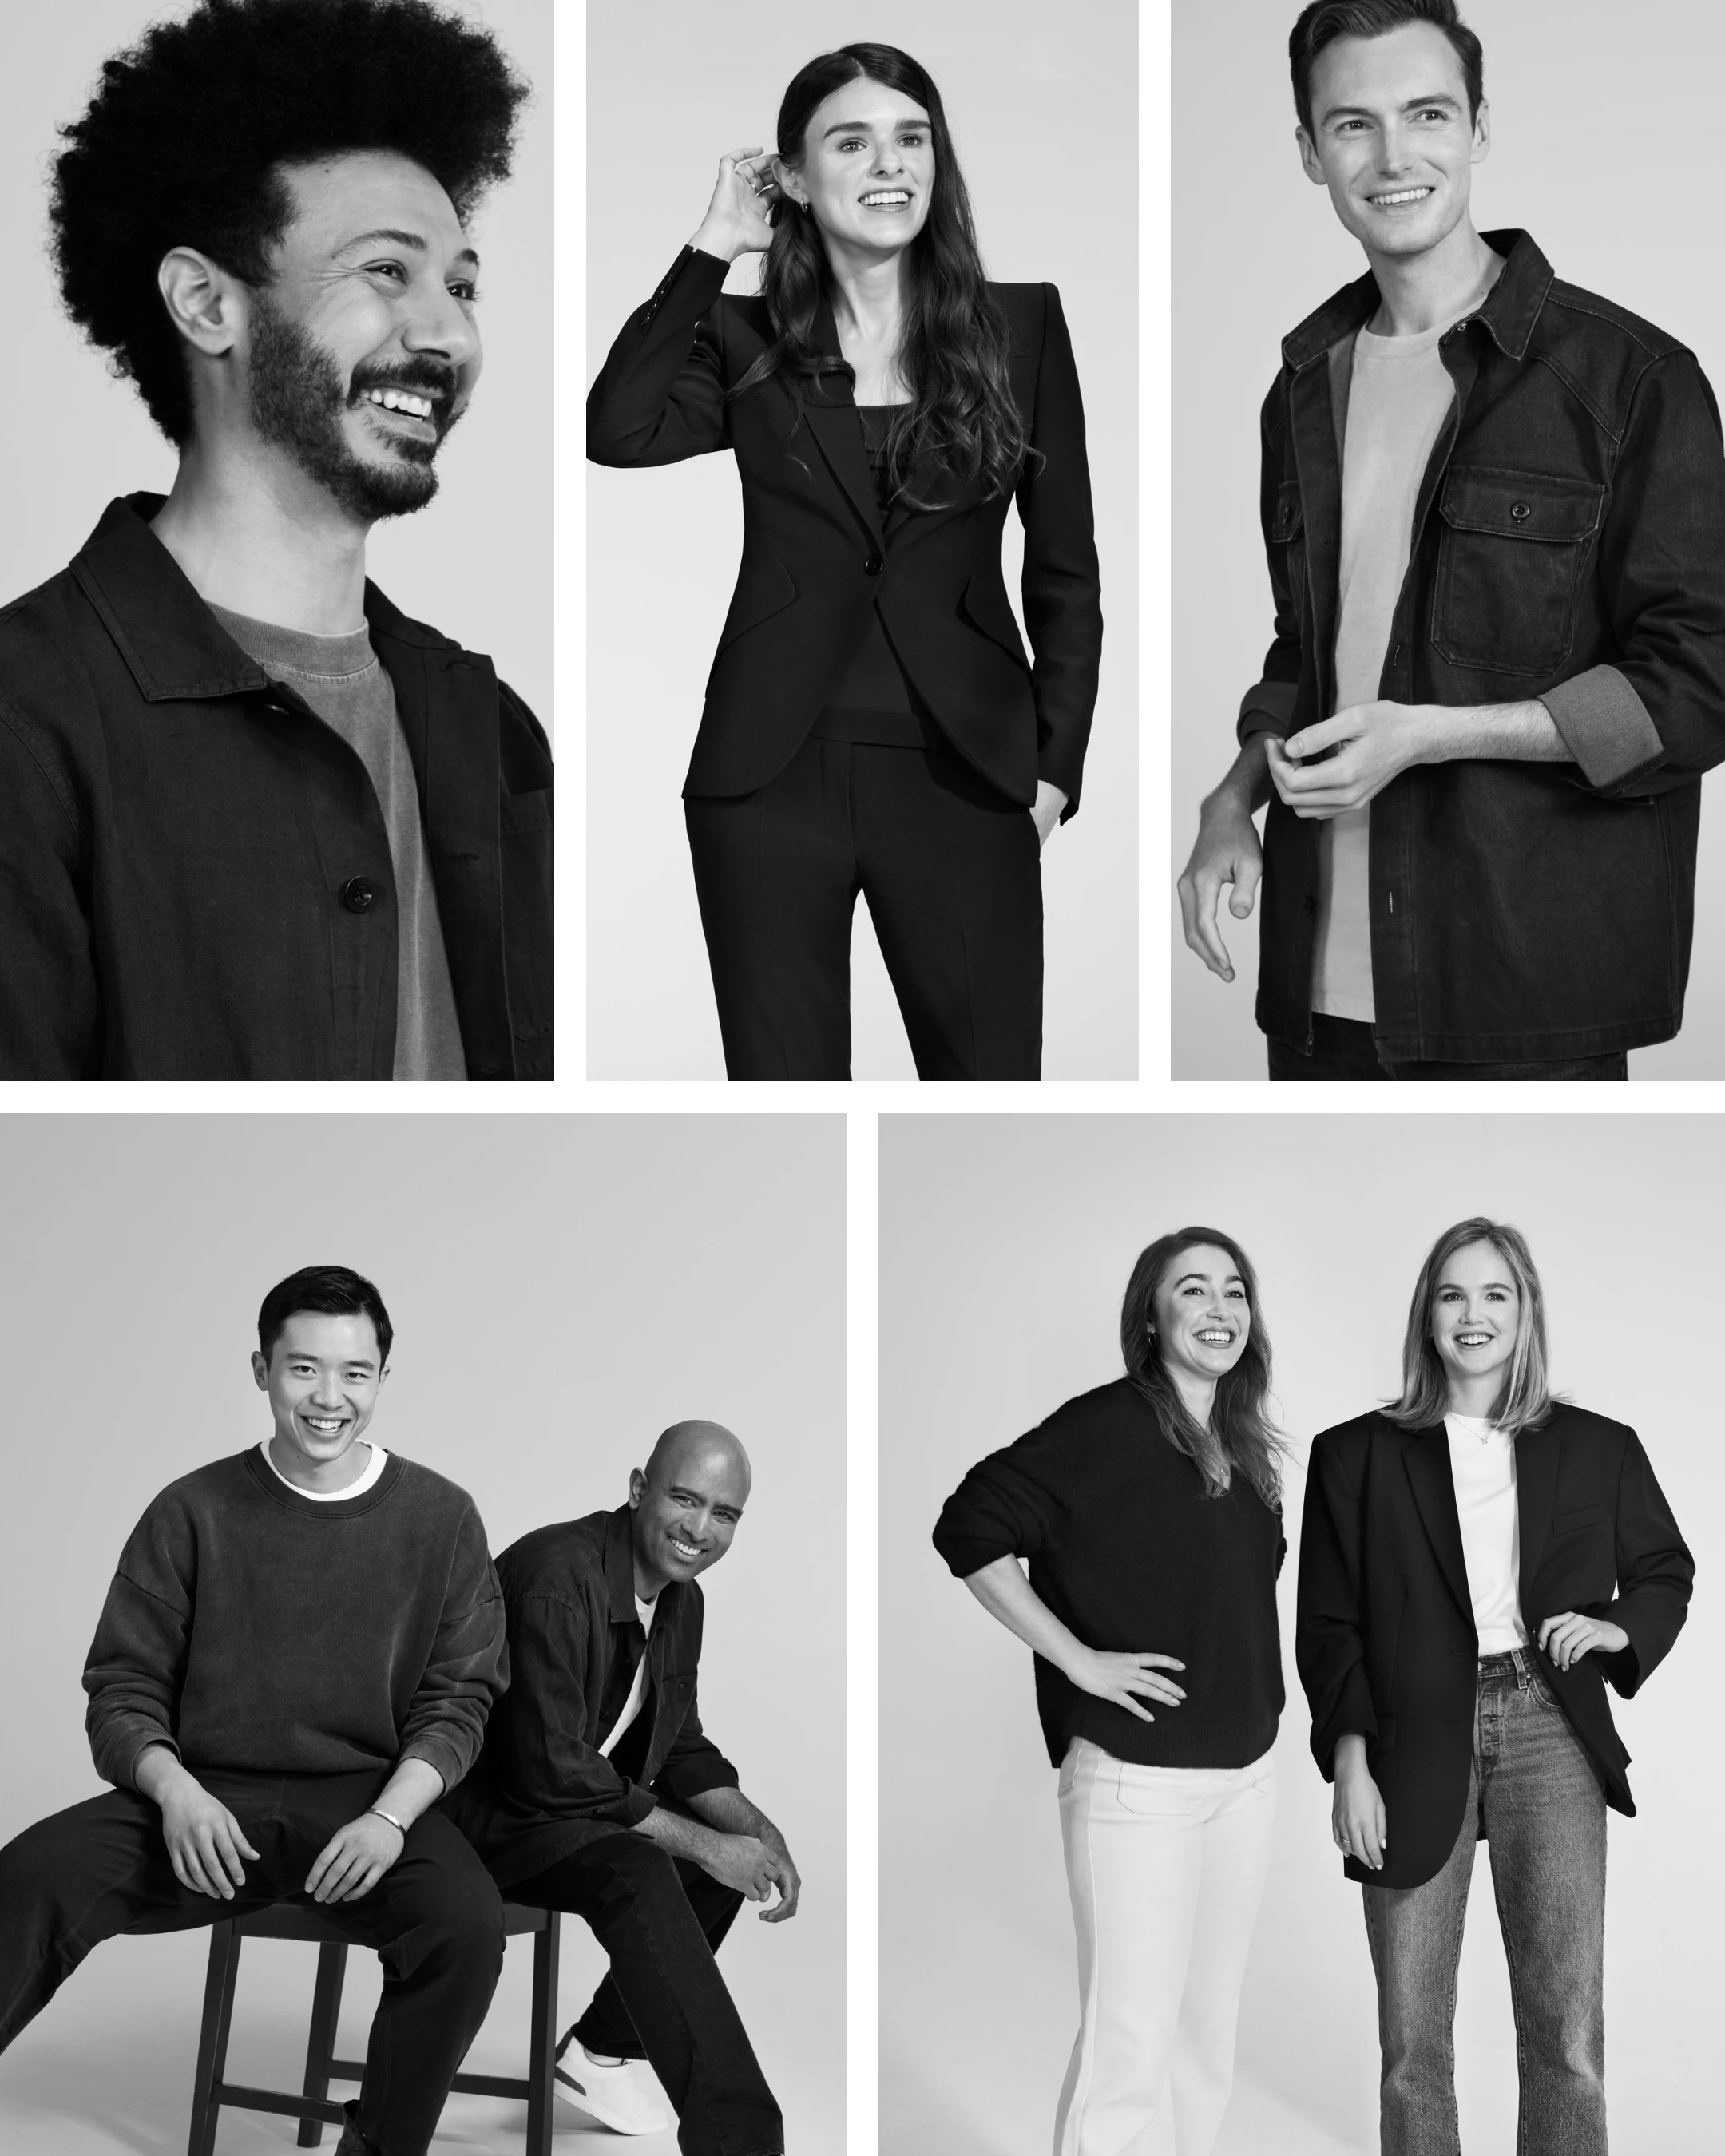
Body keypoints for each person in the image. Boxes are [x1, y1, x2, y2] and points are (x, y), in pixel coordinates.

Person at [0, 0, 553, 1080]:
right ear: (208, 303)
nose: (449, 333)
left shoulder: (492, 731)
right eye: (387, 271)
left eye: (463, 286)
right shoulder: (28, 715)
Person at [1176, 0, 1725, 1079]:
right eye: (1351, 125)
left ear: (1478, 128)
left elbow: (1701, 686)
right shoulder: (1301, 393)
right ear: (1308, 152)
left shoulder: (1632, 382)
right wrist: (1232, 795)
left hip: (1520, 986)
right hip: (1313, 995)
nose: (1393, 157)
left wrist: (1437, 734)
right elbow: (1310, 652)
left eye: (1426, 113)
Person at [588, 42, 1102, 1081]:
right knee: (788, 1098)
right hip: (768, 779)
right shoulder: (745, 334)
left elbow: (1066, 574)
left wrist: (1053, 773)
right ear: (794, 175)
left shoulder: (1023, 324)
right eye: (851, 141)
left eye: (911, 138)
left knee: (989, 1090)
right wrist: (715, 244)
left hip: (966, 774)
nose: (888, 164)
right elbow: (619, 427)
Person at [0, 1266, 510, 2156]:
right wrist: (174, 1792)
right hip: (205, 1798)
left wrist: (394, 1816)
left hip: (363, 1804)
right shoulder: (192, 1510)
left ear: (383, 1377)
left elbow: (460, 1699)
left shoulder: (440, 1517)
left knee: (464, 1927)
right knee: (30, 1875)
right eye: (303, 1368)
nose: (329, 1398)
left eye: (355, 1373)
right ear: (261, 1370)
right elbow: (121, 1688)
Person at [1296, 1219, 1693, 2154]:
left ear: (1526, 1313)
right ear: (1427, 1314)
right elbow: (1327, 1624)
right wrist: (1349, 1764)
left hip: (1552, 1725)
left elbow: (1665, 1569)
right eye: (1453, 1294)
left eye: (1495, 1295)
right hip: (1403, 1739)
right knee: (1410, 2046)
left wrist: (1616, 1627)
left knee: (1565, 2037)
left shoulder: (1600, 1445)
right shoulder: (1356, 1453)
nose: (1473, 1315)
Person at [932, 1231, 1287, 2156]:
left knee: (1204, 2043)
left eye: (1235, 1292)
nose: (1219, 1310)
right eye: (1194, 1291)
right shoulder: (1107, 1425)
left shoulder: (1246, 1449)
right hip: (1140, 1788)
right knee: (1129, 2044)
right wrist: (1079, 1660)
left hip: (1244, 1781)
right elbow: (967, 1525)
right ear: (1150, 1316)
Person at [444, 1421, 797, 2156]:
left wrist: (758, 1835)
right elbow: (548, 1767)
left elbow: (682, 1746)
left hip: (557, 1812)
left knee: (715, 1862)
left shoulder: (680, 1599)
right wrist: (702, 1840)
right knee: (642, 1865)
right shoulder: (556, 1576)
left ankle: (601, 2054)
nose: (701, 1529)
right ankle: (743, 2143)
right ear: (639, 1489)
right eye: (685, 1499)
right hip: (475, 1818)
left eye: (724, 1514)